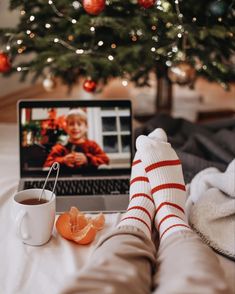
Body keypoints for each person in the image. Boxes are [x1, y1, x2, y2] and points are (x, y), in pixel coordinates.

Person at [59, 128, 230, 294]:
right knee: (196, 277)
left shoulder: (91, 147)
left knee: (106, 274)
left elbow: (101, 159)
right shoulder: (61, 146)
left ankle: (139, 211)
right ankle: (170, 217)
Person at [44, 108, 109, 171]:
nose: (75, 127)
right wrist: (63, 160)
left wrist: (88, 159)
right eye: (71, 124)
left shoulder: (92, 145)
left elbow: (105, 161)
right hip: (66, 179)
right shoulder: (60, 147)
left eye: (79, 124)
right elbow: (47, 164)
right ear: (66, 127)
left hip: (88, 179)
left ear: (86, 127)